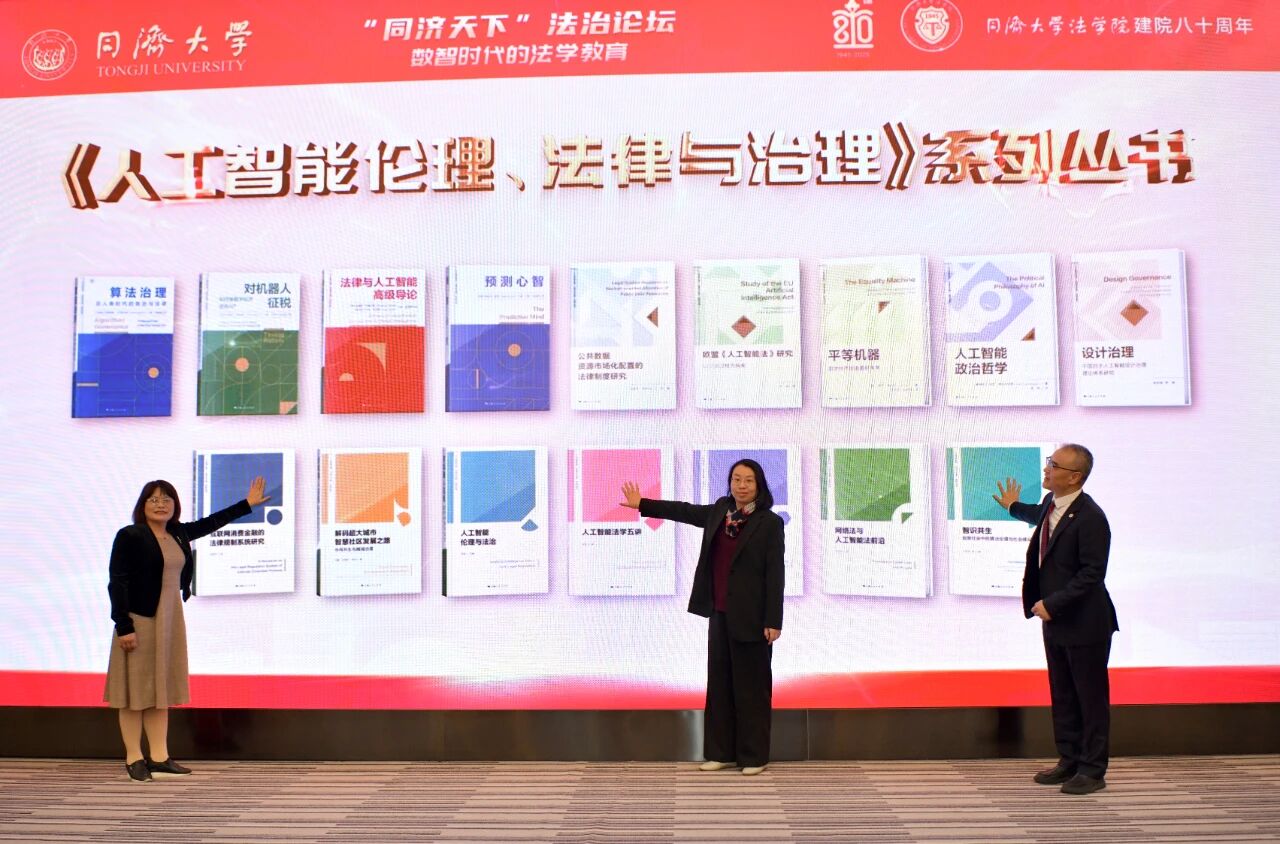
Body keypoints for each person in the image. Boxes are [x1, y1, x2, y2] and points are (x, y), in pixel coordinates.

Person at [621, 459, 784, 776]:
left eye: (748, 480)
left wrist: (773, 620)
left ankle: (754, 757)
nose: (741, 485)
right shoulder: (721, 511)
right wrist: (643, 504)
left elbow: (775, 574)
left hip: (753, 618)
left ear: (759, 485)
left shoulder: (769, 523)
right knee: (720, 686)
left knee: (752, 690)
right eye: (736, 479)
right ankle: (721, 753)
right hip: (719, 613)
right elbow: (685, 511)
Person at [105, 476, 269, 782]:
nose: (161, 504)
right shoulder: (130, 536)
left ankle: (159, 757)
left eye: (166, 499)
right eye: (154, 499)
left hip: (169, 621)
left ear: (175, 505)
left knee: (160, 692)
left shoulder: (178, 533)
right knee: (134, 693)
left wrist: (247, 504)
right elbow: (118, 581)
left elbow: (211, 523)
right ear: (142, 505)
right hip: (139, 621)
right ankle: (134, 757)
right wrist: (123, 625)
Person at [994, 444, 1118, 795]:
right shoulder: (1053, 503)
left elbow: (1092, 573)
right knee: (1063, 694)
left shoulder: (1091, 517)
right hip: (1055, 619)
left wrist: (1053, 603)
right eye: (1049, 462)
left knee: (1089, 699)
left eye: (1054, 464)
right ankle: (1069, 761)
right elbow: (1040, 516)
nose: (1046, 469)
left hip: (1085, 622)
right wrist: (1013, 507)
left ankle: (1092, 770)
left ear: (1074, 476)